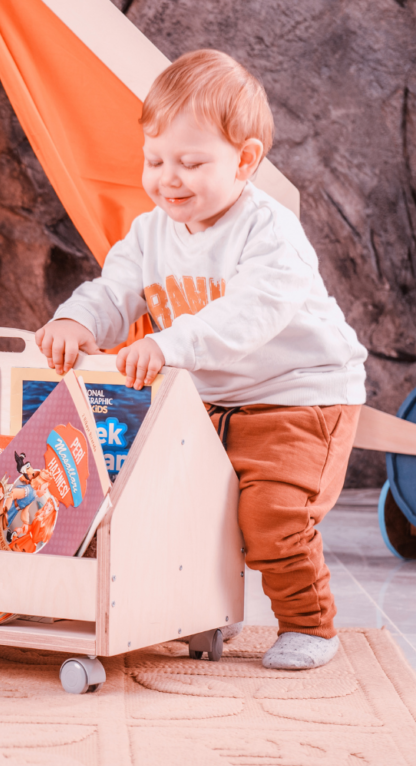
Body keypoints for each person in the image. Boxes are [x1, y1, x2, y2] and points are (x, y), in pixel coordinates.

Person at [34, 49, 367, 670]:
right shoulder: (150, 231)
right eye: (154, 160)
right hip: (210, 397)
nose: (169, 179)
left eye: (191, 163)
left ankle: (309, 625)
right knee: (181, 505)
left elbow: (249, 314)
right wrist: (78, 320)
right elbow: (115, 289)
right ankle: (199, 612)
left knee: (272, 515)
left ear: (245, 161)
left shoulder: (269, 231)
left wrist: (167, 344)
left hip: (299, 395)